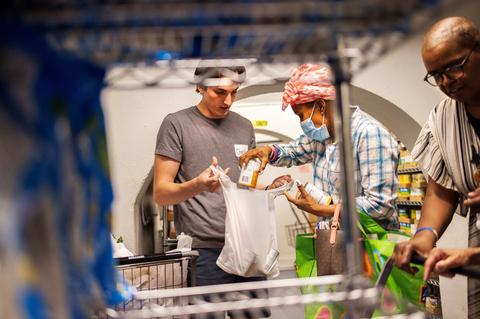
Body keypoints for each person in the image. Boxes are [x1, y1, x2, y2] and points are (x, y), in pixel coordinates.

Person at [153, 63, 272, 318]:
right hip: (204, 250)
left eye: (234, 92)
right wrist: (198, 184)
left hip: (249, 246)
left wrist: (271, 187)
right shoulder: (176, 124)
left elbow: (245, 183)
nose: (228, 100)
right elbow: (161, 193)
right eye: (219, 92)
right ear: (199, 87)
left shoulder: (245, 126)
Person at [391, 16, 480, 318]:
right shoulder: (442, 119)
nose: (445, 82)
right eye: (436, 75)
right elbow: (441, 191)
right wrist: (423, 237)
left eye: (454, 67)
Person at [239, 63, 399, 230]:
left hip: (368, 248)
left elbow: (381, 205)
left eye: (301, 115)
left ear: (321, 106)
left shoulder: (369, 135)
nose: (302, 123)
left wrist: (321, 209)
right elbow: (292, 153)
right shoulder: (321, 138)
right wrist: (269, 151)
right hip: (333, 243)